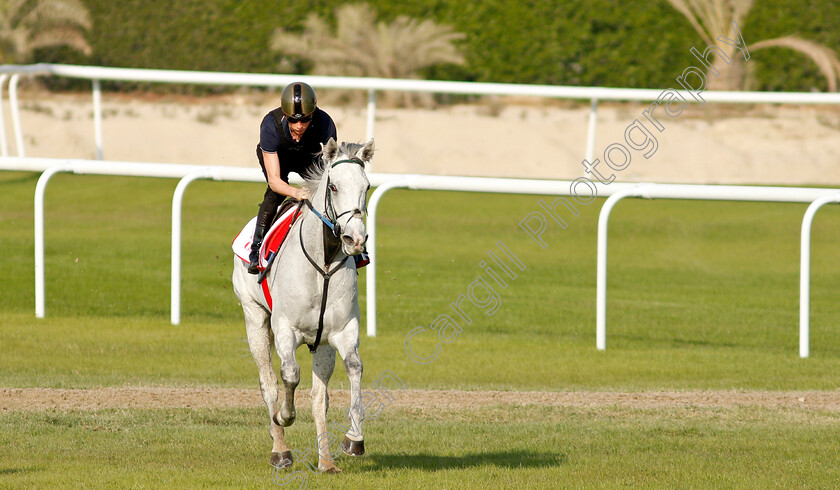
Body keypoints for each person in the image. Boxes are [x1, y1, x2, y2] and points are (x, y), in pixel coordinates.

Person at [247, 81, 337, 274]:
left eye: (305, 120)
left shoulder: (325, 123)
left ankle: (347, 246)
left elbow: (331, 168)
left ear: (312, 115)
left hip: (310, 157)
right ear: (285, 115)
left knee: (328, 192)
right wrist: (297, 192)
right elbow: (275, 180)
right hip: (281, 157)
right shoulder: (270, 124)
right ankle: (256, 249)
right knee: (274, 195)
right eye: (293, 120)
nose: (299, 126)